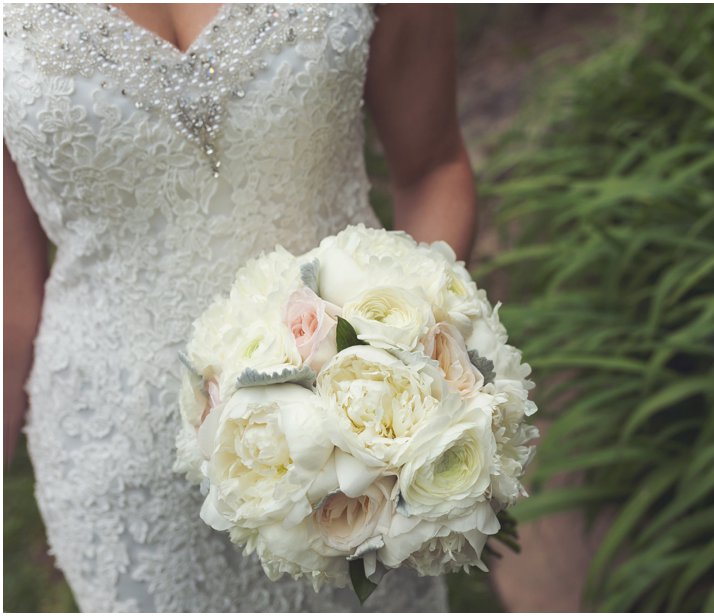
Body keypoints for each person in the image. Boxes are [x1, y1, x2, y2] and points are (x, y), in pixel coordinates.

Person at [3, 3, 475, 611]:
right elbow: (10, 304)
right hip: (118, 469)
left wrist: (405, 360)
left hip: (358, 451)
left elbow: (433, 167)